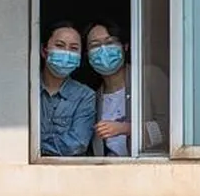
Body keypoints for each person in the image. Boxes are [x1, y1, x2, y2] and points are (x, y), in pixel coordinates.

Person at [84, 19, 169, 157]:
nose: (103, 50)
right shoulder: (92, 96)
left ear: (125, 46)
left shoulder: (149, 76)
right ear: (87, 54)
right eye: (95, 45)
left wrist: (126, 128)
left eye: (110, 43)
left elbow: (172, 128)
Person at [39, 21, 96, 157]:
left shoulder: (85, 95)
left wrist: (34, 146)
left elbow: (77, 143)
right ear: (43, 51)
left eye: (74, 48)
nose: (66, 53)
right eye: (59, 46)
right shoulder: (25, 89)